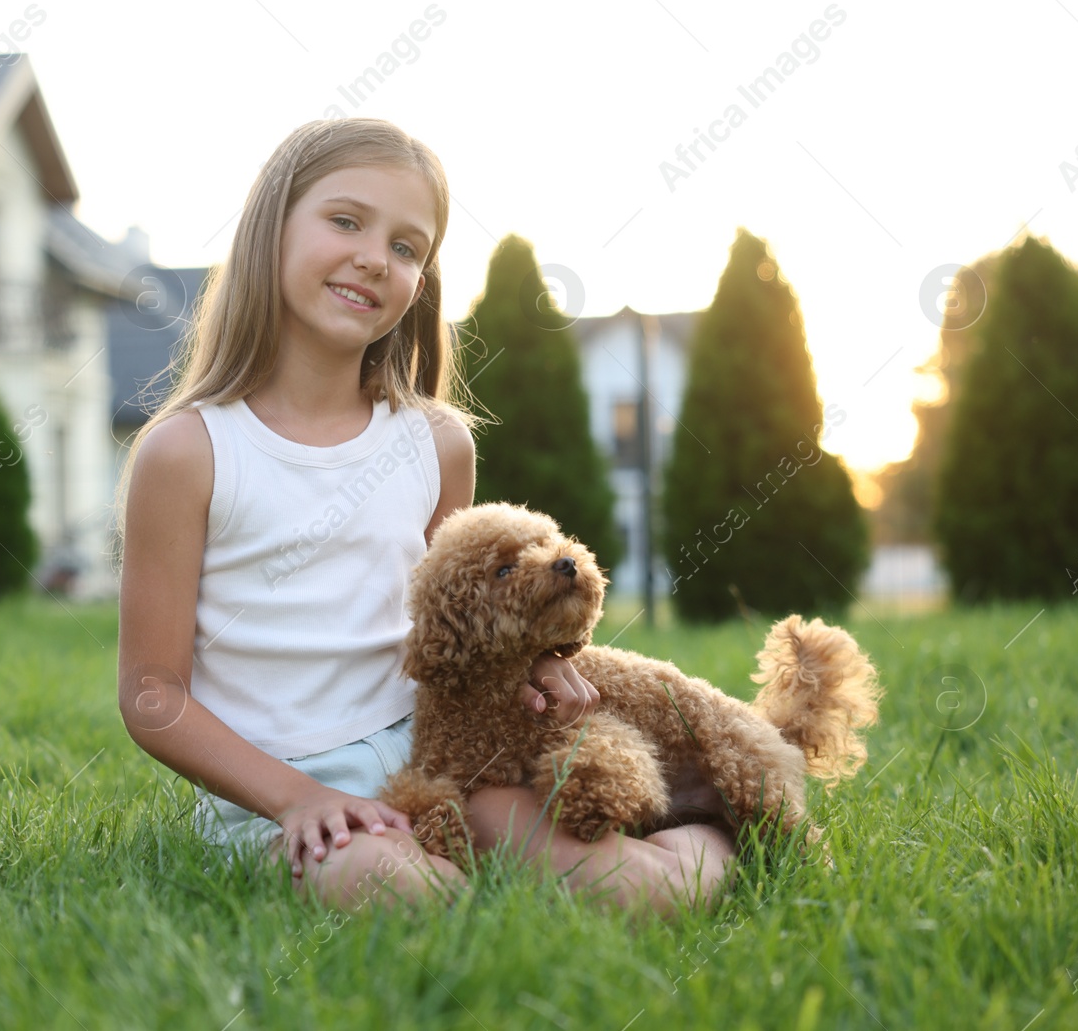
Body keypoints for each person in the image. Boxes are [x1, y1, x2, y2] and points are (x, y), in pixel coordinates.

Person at [112, 117, 737, 916]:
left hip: (441, 768)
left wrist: (535, 662)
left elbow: (473, 616)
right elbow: (152, 695)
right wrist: (298, 797)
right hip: (279, 797)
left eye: (408, 247)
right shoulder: (190, 451)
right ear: (271, 227)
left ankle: (703, 836)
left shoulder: (436, 443)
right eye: (345, 221)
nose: (376, 257)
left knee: (632, 891)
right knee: (405, 895)